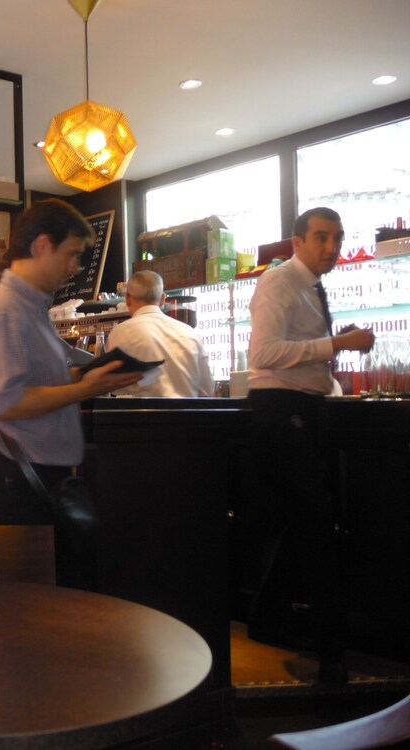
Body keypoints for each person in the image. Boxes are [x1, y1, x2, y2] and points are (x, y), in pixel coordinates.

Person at [245, 206, 375, 683]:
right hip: (283, 413)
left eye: (337, 239)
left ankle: (265, 620)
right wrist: (335, 346)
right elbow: (262, 353)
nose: (331, 247)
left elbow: (294, 354)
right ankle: (331, 654)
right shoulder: (280, 282)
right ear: (296, 242)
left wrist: (332, 350)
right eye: (321, 237)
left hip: (302, 411)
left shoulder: (310, 286)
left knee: (304, 526)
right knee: (316, 530)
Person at [0, 198, 143, 528]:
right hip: (21, 483)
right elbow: (5, 402)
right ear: (42, 246)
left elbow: (38, 380)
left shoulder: (30, 309)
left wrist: (88, 375)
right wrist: (83, 389)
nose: (75, 267)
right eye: (71, 254)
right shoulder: (6, 311)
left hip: (38, 478)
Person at [106, 270, 214, 398]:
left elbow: (114, 388)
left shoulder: (121, 331)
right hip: (188, 416)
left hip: (142, 416)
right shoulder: (191, 333)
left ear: (127, 298)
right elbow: (207, 389)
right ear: (163, 299)